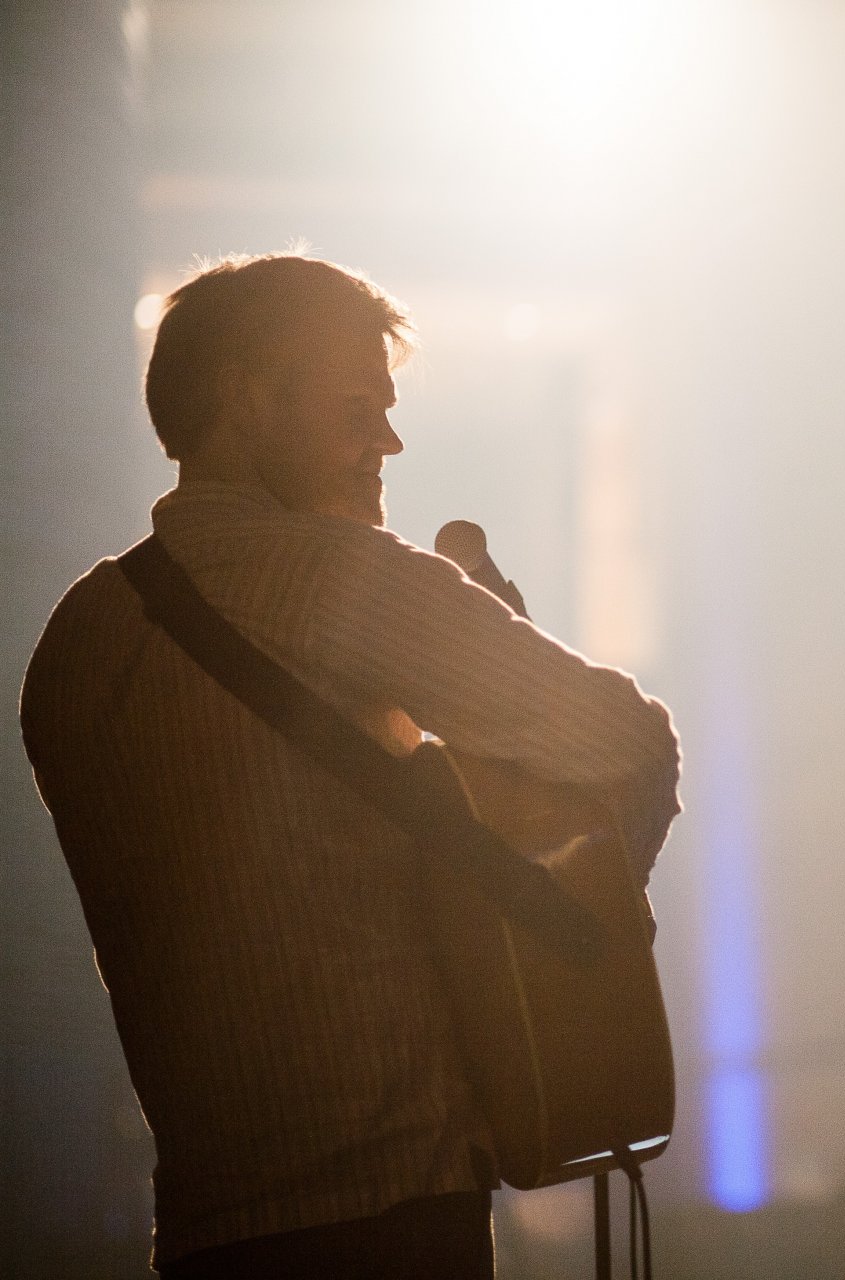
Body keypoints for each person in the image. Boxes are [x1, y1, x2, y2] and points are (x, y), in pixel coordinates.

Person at [20, 253, 681, 1278]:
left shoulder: (72, 649)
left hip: (205, 1233)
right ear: (248, 398)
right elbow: (634, 743)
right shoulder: (337, 575)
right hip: (396, 1211)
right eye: (358, 405)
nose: (389, 439)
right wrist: (534, 918)